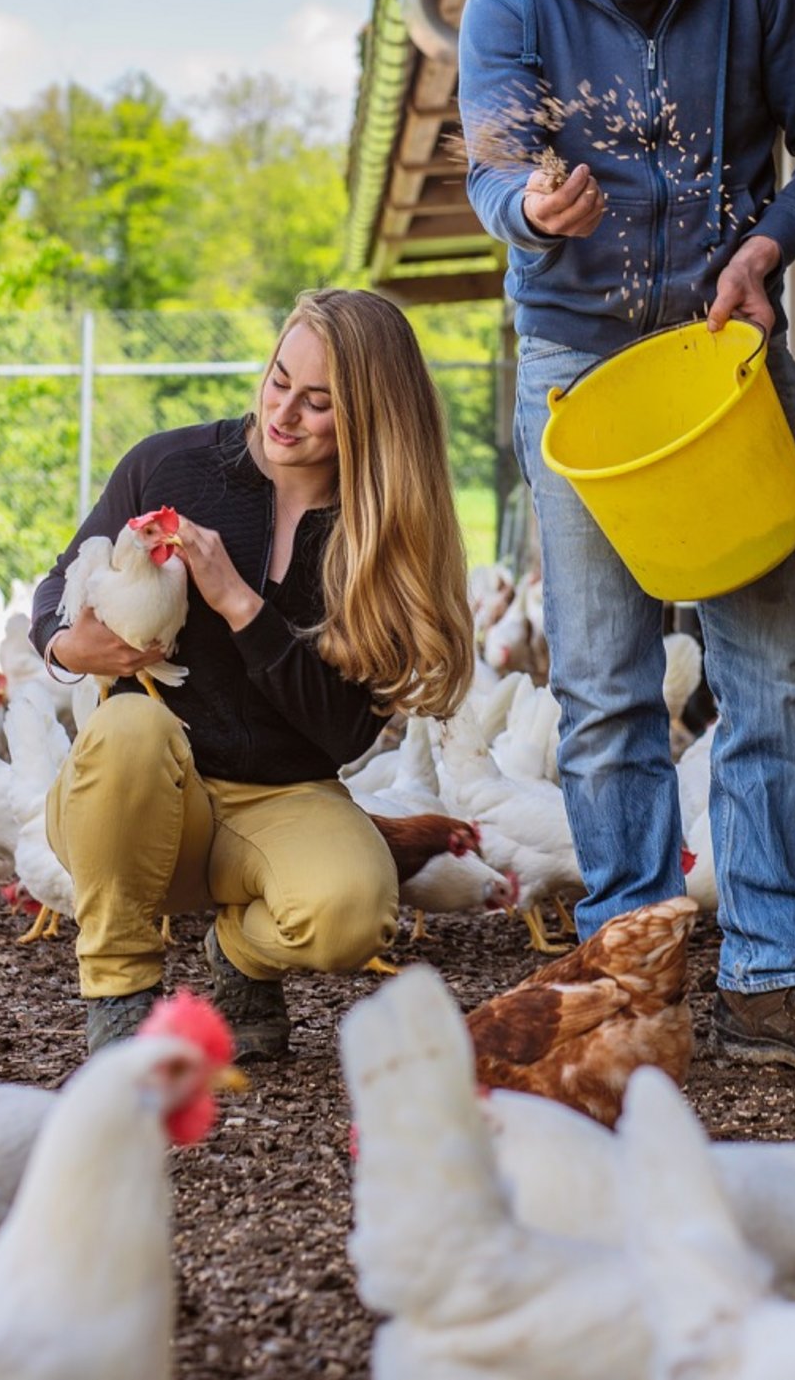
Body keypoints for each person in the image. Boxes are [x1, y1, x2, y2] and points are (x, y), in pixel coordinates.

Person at [457, 0, 795, 1082]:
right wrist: (530, 204)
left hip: (725, 357)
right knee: (602, 691)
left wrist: (765, 246)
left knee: (763, 680)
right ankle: (637, 973)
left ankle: (772, 972)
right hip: (581, 374)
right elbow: (494, 168)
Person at [30, 287, 475, 1059]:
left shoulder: (381, 536)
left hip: (284, 795)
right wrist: (69, 649)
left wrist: (238, 602)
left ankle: (237, 962)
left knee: (351, 911)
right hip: (143, 793)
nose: (283, 414)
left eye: (317, 403)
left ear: (369, 417)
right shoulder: (173, 466)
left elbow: (343, 731)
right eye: (278, 381)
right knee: (131, 724)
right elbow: (57, 587)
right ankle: (120, 998)